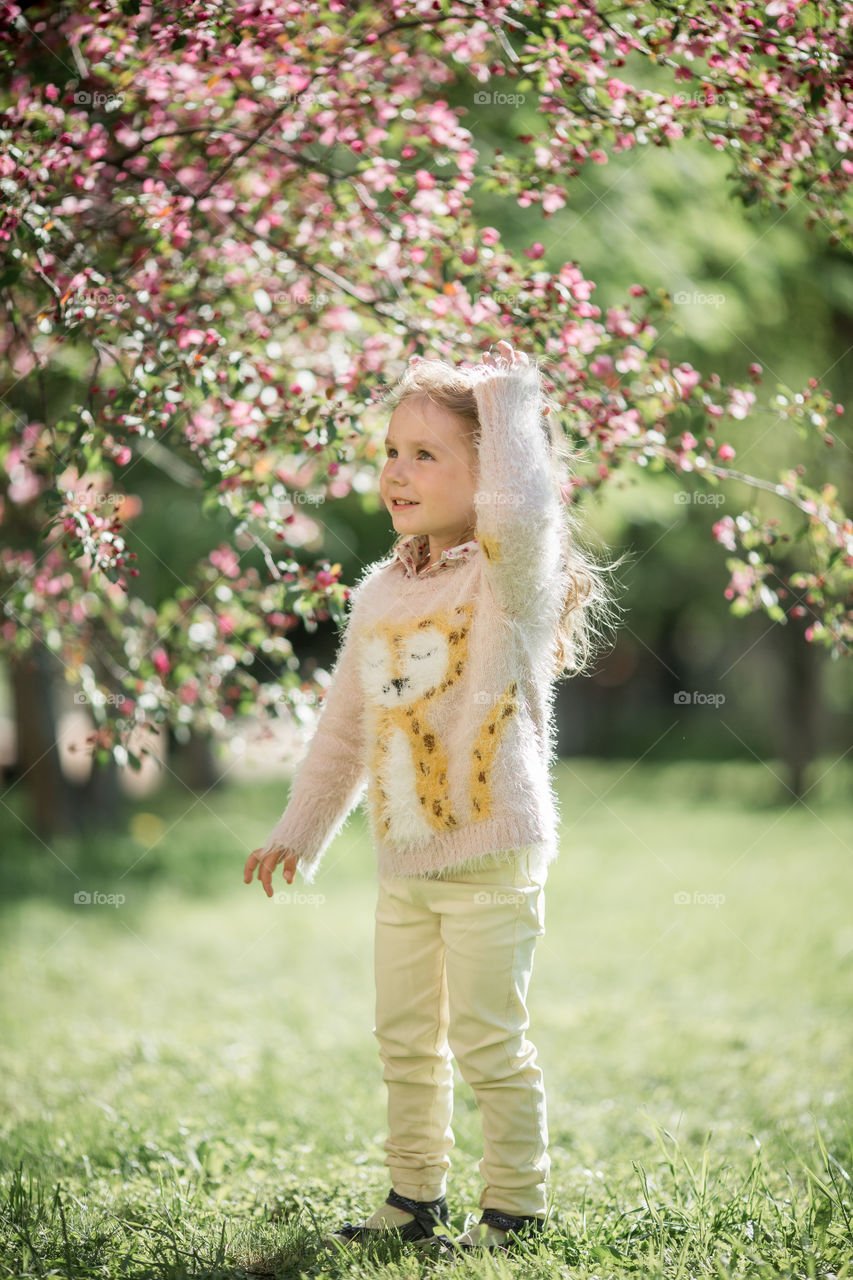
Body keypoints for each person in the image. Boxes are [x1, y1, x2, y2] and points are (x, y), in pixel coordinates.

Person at [243, 339, 621, 1255]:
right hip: (404, 859)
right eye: (390, 452)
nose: (397, 472)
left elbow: (524, 512)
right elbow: (344, 732)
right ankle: (414, 1201)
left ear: (489, 474)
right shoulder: (378, 593)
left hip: (490, 854)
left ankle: (515, 1210)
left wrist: (508, 399)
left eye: (425, 454)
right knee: (404, 1038)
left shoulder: (506, 578)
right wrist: (299, 831)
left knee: (488, 1040)